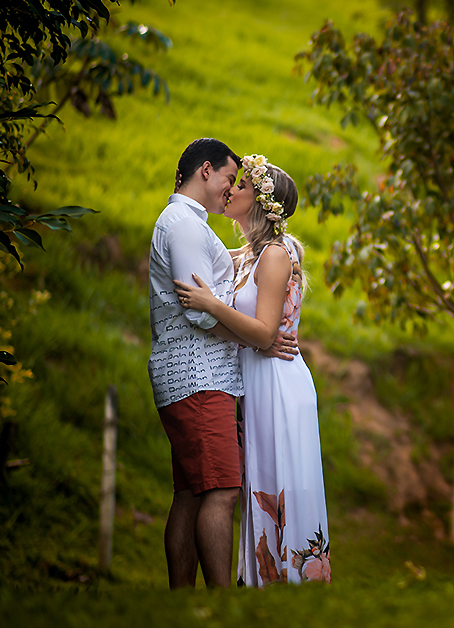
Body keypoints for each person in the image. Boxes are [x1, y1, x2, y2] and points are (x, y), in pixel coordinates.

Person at [148, 138, 297, 589]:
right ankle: (217, 602)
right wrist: (258, 342)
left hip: (198, 376)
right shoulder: (186, 226)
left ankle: (184, 602)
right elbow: (198, 310)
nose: (230, 191)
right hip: (198, 377)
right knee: (221, 491)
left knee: (192, 494)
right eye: (230, 180)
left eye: (240, 184)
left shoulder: (188, 225)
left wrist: (256, 337)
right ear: (206, 171)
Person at [176, 153, 331, 585]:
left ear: (261, 203)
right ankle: (263, 582)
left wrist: (210, 305)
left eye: (241, 186)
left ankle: (297, 582)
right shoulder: (245, 256)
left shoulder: (278, 255)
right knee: (256, 485)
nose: (231, 189)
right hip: (253, 379)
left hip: (277, 382)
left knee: (279, 483)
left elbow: (264, 332)